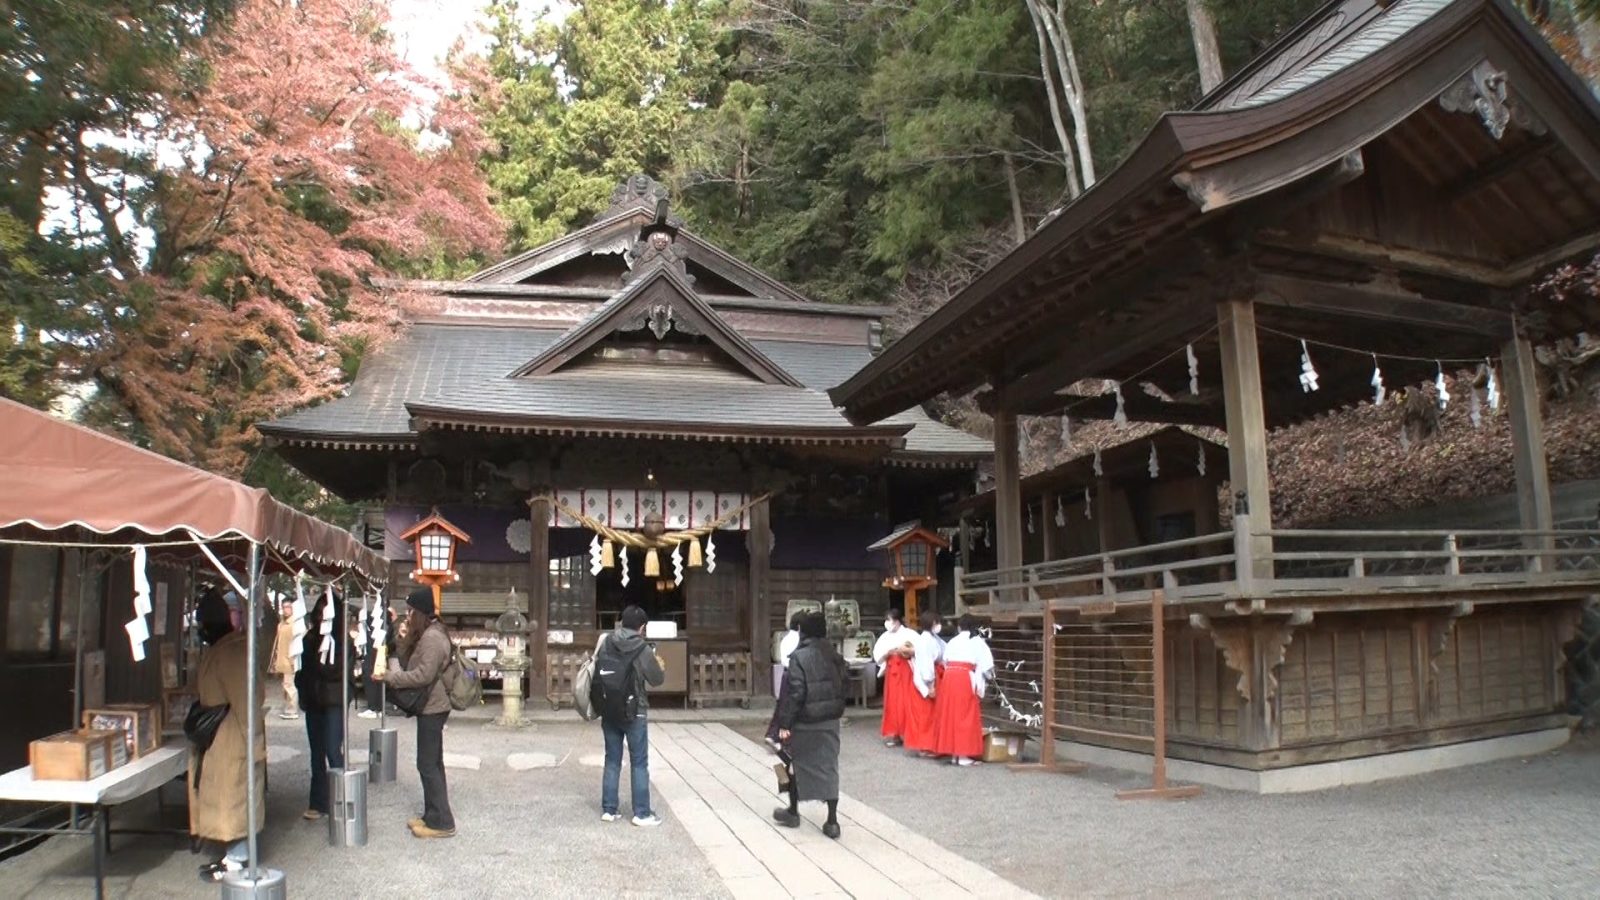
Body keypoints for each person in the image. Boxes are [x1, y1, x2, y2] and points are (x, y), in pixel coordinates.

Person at [189, 588, 266, 883]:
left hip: (233, 733)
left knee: (235, 797)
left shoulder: (232, 651)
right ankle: (231, 853)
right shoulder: (222, 647)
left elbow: (247, 701)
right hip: (220, 733)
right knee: (227, 796)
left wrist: (254, 743)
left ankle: (237, 858)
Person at [382, 587, 456, 838]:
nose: (408, 616)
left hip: (433, 706)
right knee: (432, 763)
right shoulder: (428, 633)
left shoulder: (433, 638)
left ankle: (442, 821)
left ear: (421, 612)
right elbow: (409, 659)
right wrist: (402, 636)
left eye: (411, 612)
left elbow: (423, 675)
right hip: (433, 705)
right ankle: (432, 814)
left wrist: (392, 677)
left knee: (427, 764)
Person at [773, 612, 848, 839]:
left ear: (802, 631)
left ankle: (793, 811)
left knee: (796, 765)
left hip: (806, 720)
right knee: (829, 766)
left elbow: (796, 693)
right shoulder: (834, 655)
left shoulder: (799, 657)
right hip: (829, 720)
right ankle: (832, 820)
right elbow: (845, 685)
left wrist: (785, 722)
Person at [597, 604, 666, 826]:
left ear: (622, 623)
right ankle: (641, 813)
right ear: (642, 627)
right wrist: (659, 665)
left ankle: (609, 809)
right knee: (638, 762)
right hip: (635, 710)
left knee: (612, 759)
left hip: (609, 708)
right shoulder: (642, 649)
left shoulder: (606, 641)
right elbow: (656, 679)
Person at [294, 589, 351, 820]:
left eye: (324, 612)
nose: (320, 617)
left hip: (334, 700)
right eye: (318, 612)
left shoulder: (343, 641)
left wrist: (318, 655)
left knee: (331, 749)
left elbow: (333, 670)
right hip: (314, 700)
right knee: (316, 752)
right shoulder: (309, 638)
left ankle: (341, 799)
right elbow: (301, 669)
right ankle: (318, 801)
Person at [932, 615, 995, 766]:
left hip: (950, 677)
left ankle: (955, 753)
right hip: (964, 678)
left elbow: (945, 660)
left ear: (959, 627)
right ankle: (963, 754)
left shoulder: (952, 642)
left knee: (951, 715)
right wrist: (988, 678)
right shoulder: (977, 642)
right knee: (965, 716)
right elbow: (987, 666)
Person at [902, 610, 945, 757]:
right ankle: (926, 746)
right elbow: (926, 666)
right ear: (933, 623)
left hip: (934, 675)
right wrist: (930, 686)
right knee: (926, 716)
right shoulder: (925, 641)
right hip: (926, 680)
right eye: (937, 622)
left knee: (931, 715)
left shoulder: (933, 639)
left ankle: (930, 745)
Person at [873, 608, 916, 747]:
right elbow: (878, 654)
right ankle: (895, 733)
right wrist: (887, 654)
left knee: (906, 702)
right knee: (892, 703)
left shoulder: (910, 634)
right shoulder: (885, 636)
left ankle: (908, 734)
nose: (887, 623)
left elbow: (919, 649)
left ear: (897, 621)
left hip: (906, 670)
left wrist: (906, 651)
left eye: (889, 620)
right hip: (892, 671)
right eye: (886, 620)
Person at [765, 611, 806, 749]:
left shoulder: (787, 638)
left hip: (787, 674)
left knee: (782, 705)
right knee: (789, 707)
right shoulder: (797, 640)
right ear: (800, 626)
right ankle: (782, 738)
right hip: (794, 675)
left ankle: (773, 735)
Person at [360, 604, 396, 718]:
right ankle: (379, 707)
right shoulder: (387, 619)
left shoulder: (379, 616)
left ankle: (373, 707)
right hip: (382, 649)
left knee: (371, 676)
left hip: (375, 649)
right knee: (379, 677)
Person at [268, 595, 299, 720]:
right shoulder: (281, 623)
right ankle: (288, 707)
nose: (285, 610)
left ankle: (292, 709)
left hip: (290, 658)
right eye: (284, 607)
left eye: (288, 607)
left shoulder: (295, 624)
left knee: (290, 686)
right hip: (282, 658)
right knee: (286, 685)